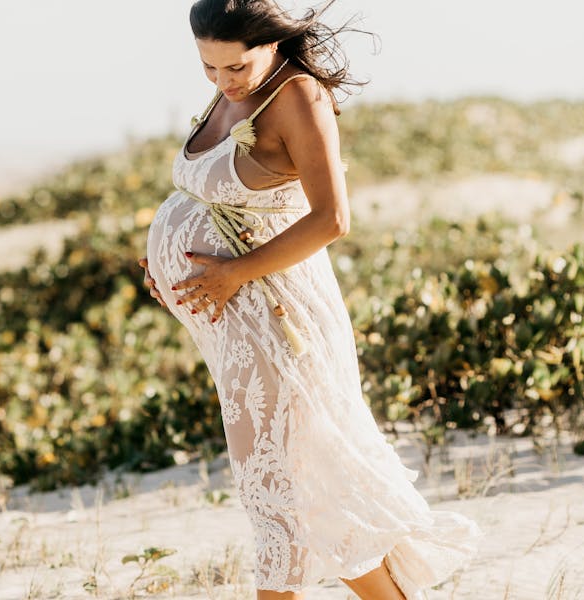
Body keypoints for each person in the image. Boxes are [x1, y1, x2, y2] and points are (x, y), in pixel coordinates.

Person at [138, 1, 483, 598]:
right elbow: (217, 199)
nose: (222, 81)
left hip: (279, 319)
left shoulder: (298, 98)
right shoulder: (231, 90)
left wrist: (232, 273)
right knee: (289, 486)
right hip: (233, 326)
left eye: (235, 68)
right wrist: (168, 267)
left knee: (290, 487)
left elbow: (332, 219)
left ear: (270, 44)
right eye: (208, 68)